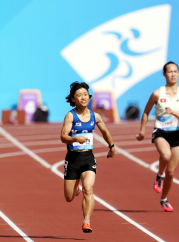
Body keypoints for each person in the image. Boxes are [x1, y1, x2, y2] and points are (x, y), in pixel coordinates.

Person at [136, 61, 179, 212]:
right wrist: (142, 131)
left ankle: (164, 199)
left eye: (175, 71)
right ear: (164, 74)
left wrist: (174, 113)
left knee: (171, 172)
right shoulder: (157, 94)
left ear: (178, 74)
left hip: (178, 133)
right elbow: (146, 112)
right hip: (160, 132)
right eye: (169, 71)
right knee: (165, 155)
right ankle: (159, 175)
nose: (173, 74)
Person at [61, 81, 115, 233]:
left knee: (89, 189)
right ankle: (75, 186)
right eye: (79, 95)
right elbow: (63, 137)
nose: (83, 97)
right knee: (68, 197)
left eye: (85, 94)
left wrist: (111, 146)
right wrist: (75, 139)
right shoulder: (70, 116)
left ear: (89, 97)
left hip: (88, 158)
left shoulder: (94, 116)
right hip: (72, 159)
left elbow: (105, 132)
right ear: (73, 99)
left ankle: (86, 221)